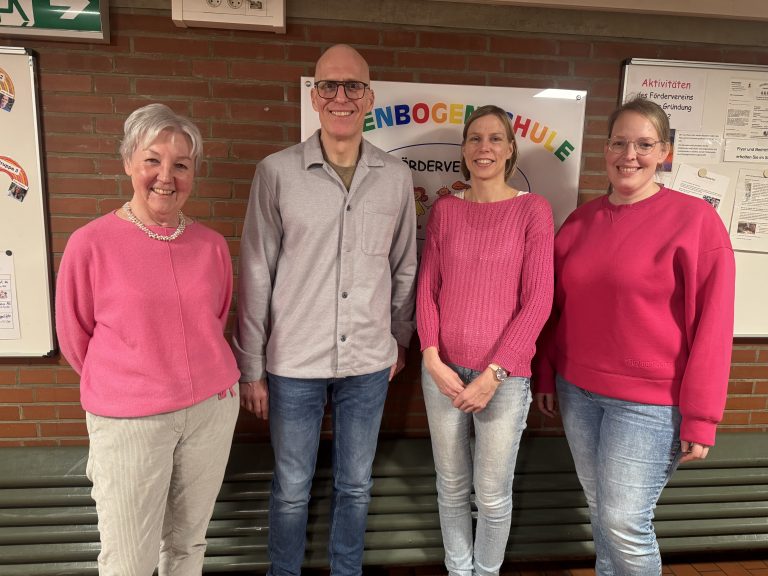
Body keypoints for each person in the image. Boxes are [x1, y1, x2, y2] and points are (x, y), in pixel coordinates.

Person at [233, 44, 417, 576]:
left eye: (352, 86)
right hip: (293, 362)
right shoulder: (276, 173)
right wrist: (251, 366)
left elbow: (404, 264)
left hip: (369, 362)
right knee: (292, 486)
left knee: (355, 484)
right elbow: (256, 270)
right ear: (313, 97)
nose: (341, 96)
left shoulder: (395, 177)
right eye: (329, 86)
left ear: (369, 97)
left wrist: (398, 339)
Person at [535, 97, 736, 575]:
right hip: (578, 391)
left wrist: (702, 416)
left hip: (650, 404)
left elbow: (714, 324)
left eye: (644, 145)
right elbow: (555, 310)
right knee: (602, 512)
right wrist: (546, 375)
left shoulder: (695, 221)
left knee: (625, 522)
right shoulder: (580, 222)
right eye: (619, 143)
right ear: (605, 149)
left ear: (665, 152)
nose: (630, 155)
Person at [55, 103, 241, 576]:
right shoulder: (90, 244)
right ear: (127, 163)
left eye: (181, 165)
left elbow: (214, 319)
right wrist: (131, 380)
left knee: (187, 545)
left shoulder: (211, 245)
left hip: (211, 409)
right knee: (128, 559)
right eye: (152, 160)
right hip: (130, 419)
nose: (166, 176)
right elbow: (75, 337)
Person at [417, 105, 554, 576]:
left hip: (504, 379)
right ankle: (459, 571)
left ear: (510, 149)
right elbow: (427, 290)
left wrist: (495, 373)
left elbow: (539, 300)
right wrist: (431, 357)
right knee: (452, 488)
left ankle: (486, 572)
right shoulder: (445, 210)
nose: (484, 147)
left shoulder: (533, 210)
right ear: (463, 149)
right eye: (475, 138)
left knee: (492, 496)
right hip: (442, 374)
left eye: (495, 139)